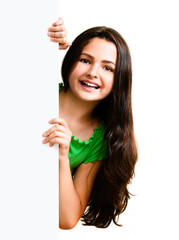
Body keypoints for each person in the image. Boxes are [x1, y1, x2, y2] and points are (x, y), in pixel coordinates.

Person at [42, 18, 138, 229]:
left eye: (108, 68)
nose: (93, 72)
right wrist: (42, 40)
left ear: (119, 79)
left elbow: (67, 219)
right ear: (70, 59)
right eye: (85, 60)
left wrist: (62, 156)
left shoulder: (100, 140)